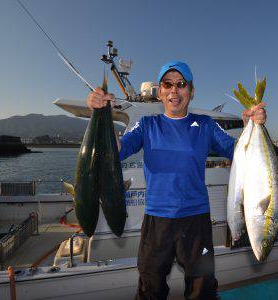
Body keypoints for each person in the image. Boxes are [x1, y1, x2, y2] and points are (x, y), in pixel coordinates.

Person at [87, 61, 266, 300]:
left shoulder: (206, 125)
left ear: (191, 92)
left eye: (181, 84)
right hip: (156, 222)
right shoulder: (147, 125)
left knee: (202, 291)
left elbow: (240, 152)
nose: (174, 90)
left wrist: (250, 126)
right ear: (160, 92)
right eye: (167, 84)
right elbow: (116, 151)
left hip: (196, 221)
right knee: (150, 290)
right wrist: (101, 114)